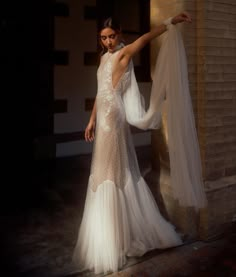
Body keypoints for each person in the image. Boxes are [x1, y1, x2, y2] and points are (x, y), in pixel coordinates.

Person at [72, 12, 206, 274]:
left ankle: (114, 239)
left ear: (119, 34)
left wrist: (170, 22)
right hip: (104, 118)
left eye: (112, 37)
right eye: (103, 38)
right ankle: (111, 235)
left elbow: (144, 38)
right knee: (103, 173)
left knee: (110, 174)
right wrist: (91, 121)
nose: (108, 42)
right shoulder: (102, 59)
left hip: (115, 119)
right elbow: (100, 93)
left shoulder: (124, 54)